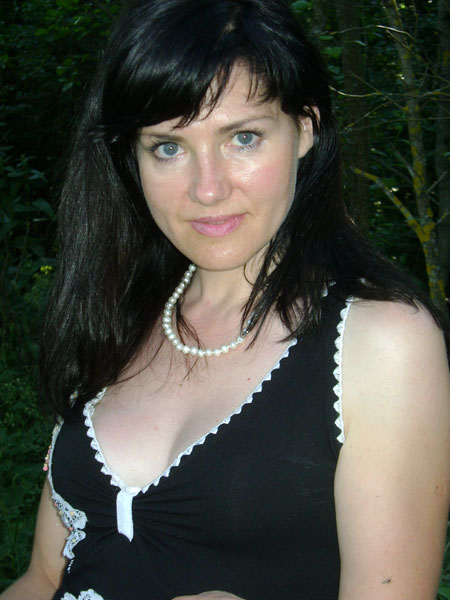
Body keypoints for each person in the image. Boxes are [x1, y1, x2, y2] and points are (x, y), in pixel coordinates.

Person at [2, 0, 450, 598]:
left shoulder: (382, 342)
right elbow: (43, 577)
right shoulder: (112, 314)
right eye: (168, 147)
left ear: (305, 129)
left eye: (243, 137)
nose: (207, 188)